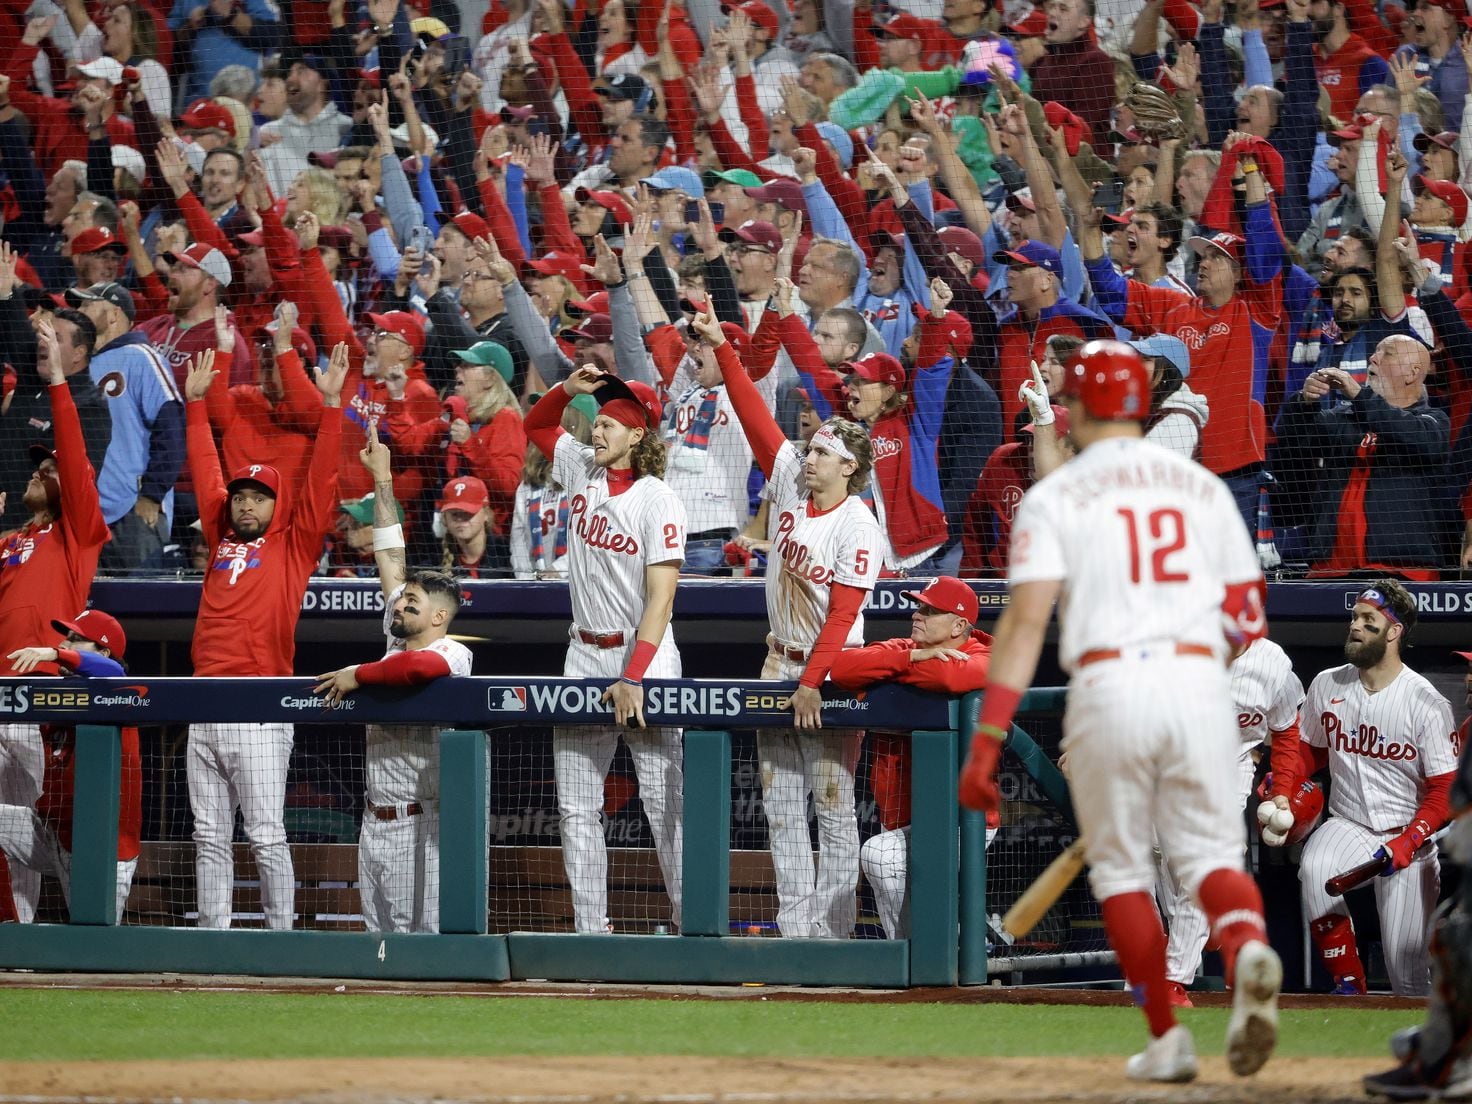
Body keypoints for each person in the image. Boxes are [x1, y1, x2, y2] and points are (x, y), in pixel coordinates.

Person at [957, 341, 1281, 1083]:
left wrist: (988, 736)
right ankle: (1248, 948)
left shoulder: (1058, 493)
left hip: (1110, 687)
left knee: (1126, 876)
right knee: (1208, 861)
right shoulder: (1200, 486)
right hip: (1201, 687)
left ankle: (1167, 1041)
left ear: (1078, 407)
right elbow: (1248, 619)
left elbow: (1024, 623)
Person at [699, 302, 884, 940]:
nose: (808, 459)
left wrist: (813, 681)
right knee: (780, 809)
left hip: (829, 669)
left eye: (822, 454)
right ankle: (794, 926)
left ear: (849, 469)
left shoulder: (859, 523)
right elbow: (752, 411)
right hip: (776, 657)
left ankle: (832, 934)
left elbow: (844, 613)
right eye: (809, 450)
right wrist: (723, 350)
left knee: (832, 808)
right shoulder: (788, 479)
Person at [182, 343, 348, 930]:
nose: (246, 504)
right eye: (241, 496)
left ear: (276, 507)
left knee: (265, 831)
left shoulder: (293, 545)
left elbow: (324, 480)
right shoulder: (220, 540)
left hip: (259, 701)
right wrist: (196, 408)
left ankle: (280, 936)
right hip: (203, 696)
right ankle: (213, 936)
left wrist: (331, 410)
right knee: (207, 832)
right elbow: (206, 470)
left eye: (258, 497)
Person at [522, 365, 686, 934]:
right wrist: (570, 388)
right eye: (599, 420)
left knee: (667, 808)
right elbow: (535, 421)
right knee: (575, 808)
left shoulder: (658, 497)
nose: (598, 429)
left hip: (645, 656)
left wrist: (635, 676)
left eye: (612, 422)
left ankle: (690, 924)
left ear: (638, 434)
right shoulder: (581, 470)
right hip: (583, 655)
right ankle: (592, 929)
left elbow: (660, 601)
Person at [314, 423, 472, 933]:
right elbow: (388, 554)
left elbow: (416, 668)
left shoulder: (450, 652)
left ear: (439, 617)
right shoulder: (395, 635)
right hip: (373, 819)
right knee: (378, 942)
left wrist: (358, 674)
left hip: (421, 821)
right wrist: (382, 479)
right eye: (401, 600)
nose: (400, 605)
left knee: (419, 944)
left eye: (412, 603)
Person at [1284, 581, 1458, 996]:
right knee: (1314, 867)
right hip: (1350, 823)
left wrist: (1412, 839)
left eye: (1368, 621)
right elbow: (1311, 751)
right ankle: (1349, 983)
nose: (1355, 627)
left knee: (1407, 973)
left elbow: (1445, 788)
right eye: (1354, 619)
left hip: (1408, 835)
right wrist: (1285, 783)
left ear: (1394, 631)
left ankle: (1423, 1054)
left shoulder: (1426, 702)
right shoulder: (1328, 683)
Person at [0, 316, 112, 925]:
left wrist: (62, 386)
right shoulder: (8, 541)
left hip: (36, 698)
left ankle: (23, 938)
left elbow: (70, 453)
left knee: (23, 830)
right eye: (35, 467)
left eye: (48, 470)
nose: (38, 471)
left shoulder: (78, 537)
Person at [827, 577, 991, 940]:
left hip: (965, 820)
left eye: (930, 611)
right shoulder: (905, 646)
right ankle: (921, 958)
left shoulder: (988, 656)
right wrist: (912, 657)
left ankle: (922, 954)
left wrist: (890, 674)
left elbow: (951, 677)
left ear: (959, 625)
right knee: (894, 870)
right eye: (919, 607)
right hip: (902, 816)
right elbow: (840, 668)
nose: (917, 615)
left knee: (880, 857)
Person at [1158, 636, 1305, 1007]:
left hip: (1229, 770)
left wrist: (1283, 789)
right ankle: (1203, 925)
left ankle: (1173, 981)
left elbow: (1286, 730)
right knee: (1160, 858)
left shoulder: (1273, 664)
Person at [2, 610, 140, 924]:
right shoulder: (58, 694)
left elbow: (112, 670)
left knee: (96, 951)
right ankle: (10, 933)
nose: (66, 643)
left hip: (102, 850)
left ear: (103, 651)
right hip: (51, 834)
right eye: (66, 638)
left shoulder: (119, 691)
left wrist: (54, 654)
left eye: (77, 639)